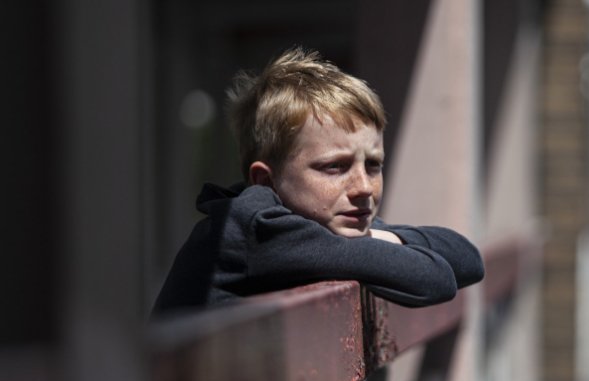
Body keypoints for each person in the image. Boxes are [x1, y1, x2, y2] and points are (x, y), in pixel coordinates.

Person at [151, 47, 484, 316]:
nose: (363, 187)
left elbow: (468, 259)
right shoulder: (256, 227)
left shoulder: (317, 224)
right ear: (265, 181)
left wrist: (378, 236)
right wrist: (380, 242)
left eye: (373, 165)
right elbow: (433, 278)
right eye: (334, 167)